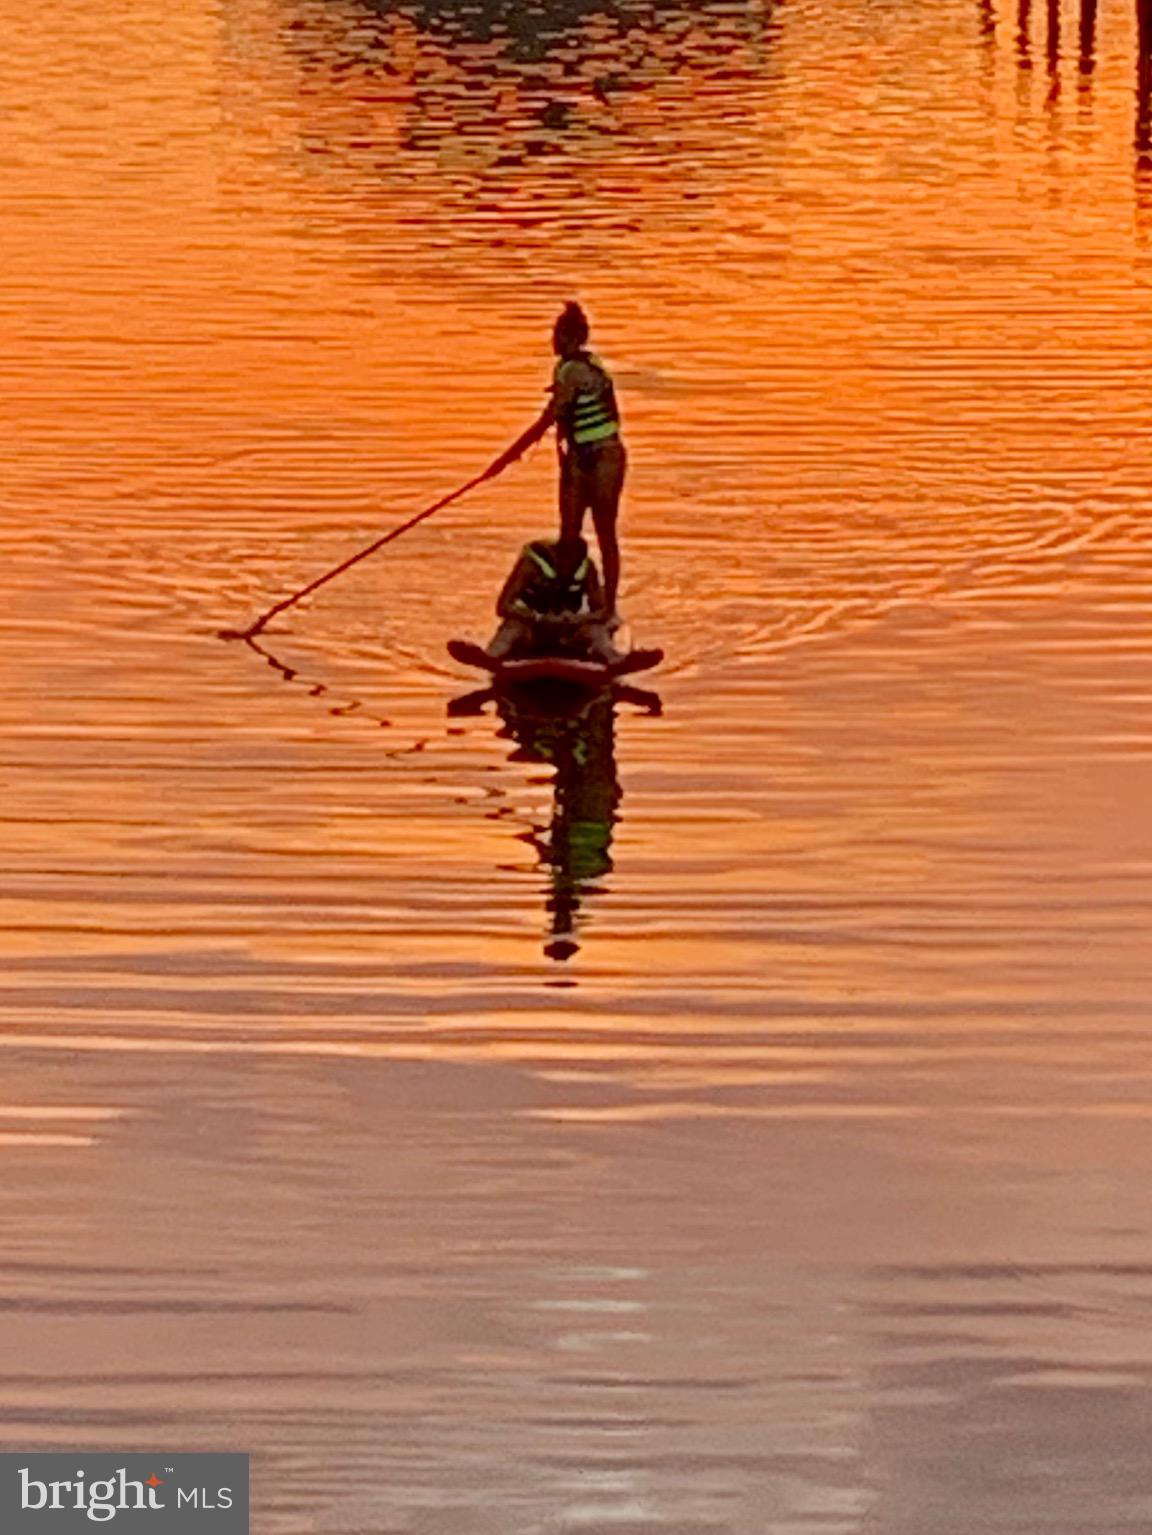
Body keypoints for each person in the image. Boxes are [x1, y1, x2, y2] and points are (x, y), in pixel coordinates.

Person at [488, 302, 626, 621]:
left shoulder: (573, 370)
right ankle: (566, 605)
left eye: (559, 335)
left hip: (604, 458)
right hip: (582, 457)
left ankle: (607, 610)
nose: (553, 340)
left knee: (600, 532)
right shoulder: (576, 367)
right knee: (571, 537)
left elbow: (546, 421)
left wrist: (503, 460)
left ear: (572, 338)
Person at [486, 534, 621, 664]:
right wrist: (537, 617)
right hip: (533, 630)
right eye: (566, 560)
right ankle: (492, 655)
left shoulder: (587, 568)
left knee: (595, 631)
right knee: (513, 628)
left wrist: (575, 619)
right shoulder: (530, 566)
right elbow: (503, 607)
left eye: (574, 562)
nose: (568, 567)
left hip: (567, 632)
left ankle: (610, 656)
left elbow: (603, 612)